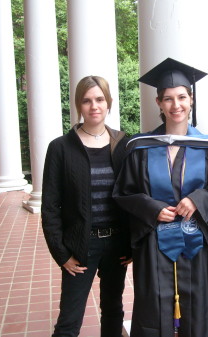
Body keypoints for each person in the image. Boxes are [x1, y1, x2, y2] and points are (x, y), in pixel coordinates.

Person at [113, 58, 208, 337]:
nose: (176, 105)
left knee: (199, 308)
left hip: (197, 241)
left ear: (191, 100)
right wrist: (152, 208)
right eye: (168, 99)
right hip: (155, 242)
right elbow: (124, 193)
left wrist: (197, 200)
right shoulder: (139, 147)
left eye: (182, 97)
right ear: (159, 103)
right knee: (155, 306)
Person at [41, 75, 132, 337]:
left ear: (109, 103)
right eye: (87, 100)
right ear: (79, 106)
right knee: (69, 320)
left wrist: (131, 243)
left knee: (114, 310)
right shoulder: (61, 148)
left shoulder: (123, 144)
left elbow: (133, 196)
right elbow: (50, 206)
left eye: (100, 99)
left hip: (116, 246)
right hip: (80, 246)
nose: (94, 106)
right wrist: (62, 254)